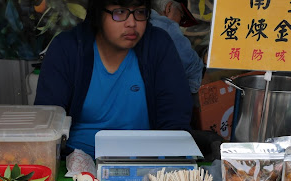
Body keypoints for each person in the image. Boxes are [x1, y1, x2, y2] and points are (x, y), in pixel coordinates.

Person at [35, 0, 193, 158]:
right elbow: (47, 122)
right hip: (75, 167)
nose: (132, 23)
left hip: (144, 165)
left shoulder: (158, 46)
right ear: (98, 15)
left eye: (140, 12)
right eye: (120, 12)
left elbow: (175, 121)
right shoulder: (67, 48)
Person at [150, 0, 204, 94]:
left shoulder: (139, 20)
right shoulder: (167, 27)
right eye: (181, 15)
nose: (180, 24)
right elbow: (192, 68)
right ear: (169, 8)